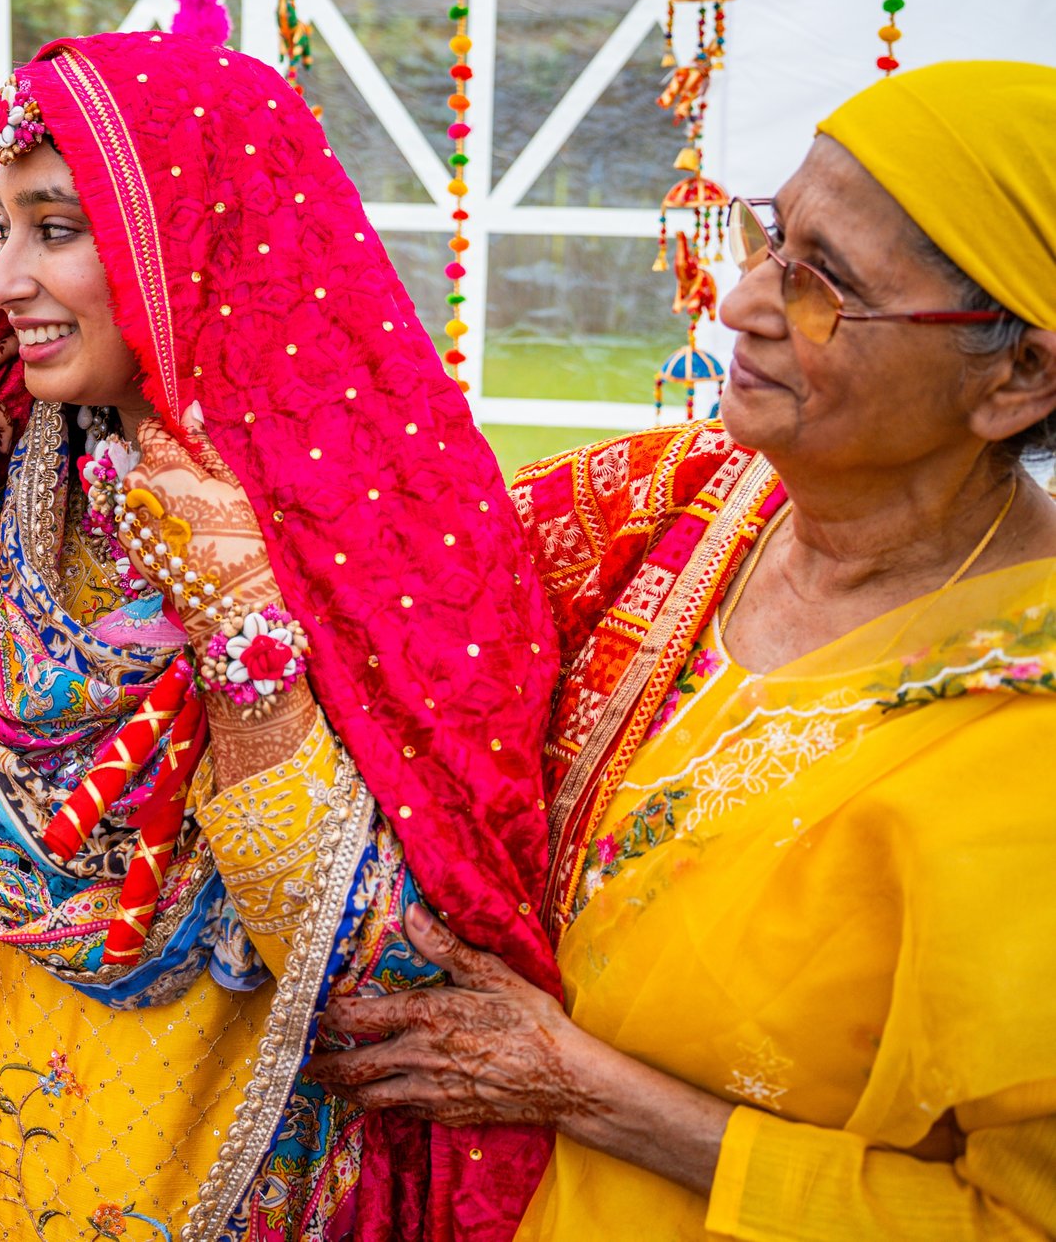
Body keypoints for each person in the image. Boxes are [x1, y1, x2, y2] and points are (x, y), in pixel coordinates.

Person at [0, 31, 562, 1240]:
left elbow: (366, 969)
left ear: (191, 239)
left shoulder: (386, 528)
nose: (0, 282)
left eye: (54, 228)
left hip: (216, 1164)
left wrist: (240, 637)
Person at [307, 61, 1056, 1240]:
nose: (742, 301)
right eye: (769, 238)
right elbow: (373, 611)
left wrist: (583, 1089)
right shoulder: (682, 496)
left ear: (1020, 375)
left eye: (823, 286)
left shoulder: (1028, 740)